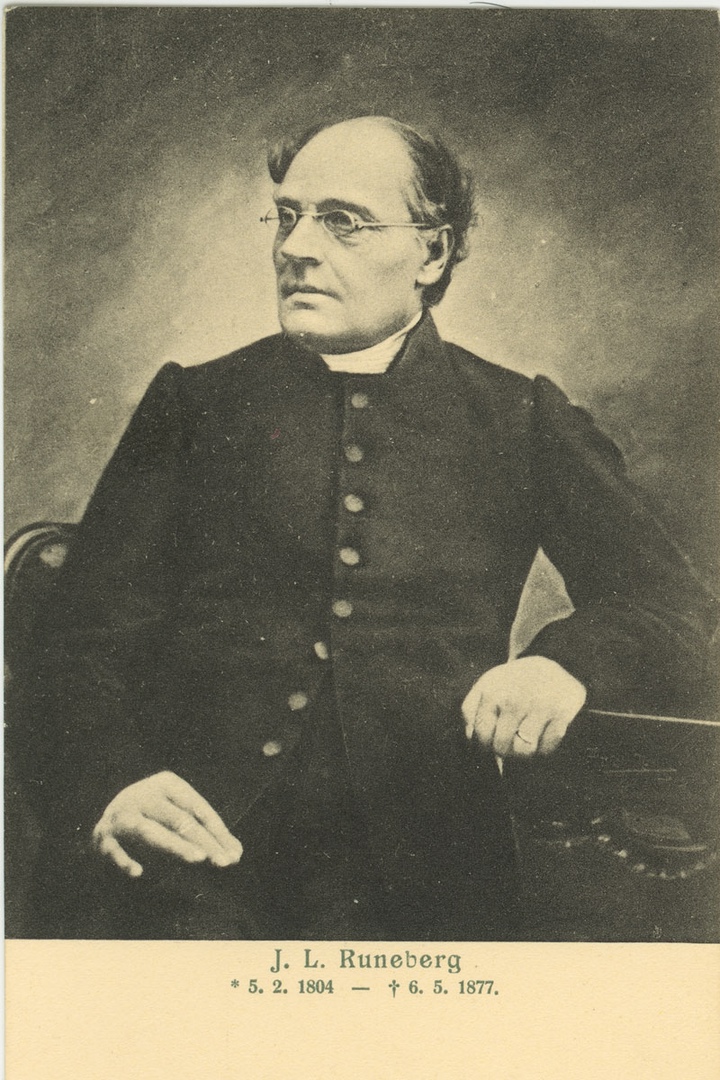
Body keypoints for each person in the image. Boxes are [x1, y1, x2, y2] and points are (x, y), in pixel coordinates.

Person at [16, 116, 716, 940]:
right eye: (287, 216)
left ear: (432, 253)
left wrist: (563, 665)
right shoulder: (196, 405)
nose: (296, 247)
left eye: (342, 221)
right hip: (187, 865)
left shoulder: (518, 416)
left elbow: (670, 604)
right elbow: (74, 647)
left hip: (423, 878)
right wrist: (113, 785)